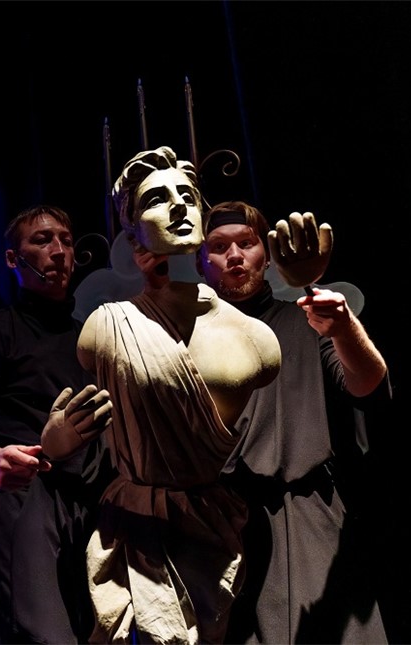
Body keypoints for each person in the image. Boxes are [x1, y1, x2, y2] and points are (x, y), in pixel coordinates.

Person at [65, 146, 282, 643]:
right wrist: (57, 442)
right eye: (156, 199)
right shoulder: (106, 328)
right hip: (131, 525)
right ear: (133, 236)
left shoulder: (255, 339)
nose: (179, 205)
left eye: (187, 195)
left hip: (208, 529)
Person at [195, 200, 390, 643]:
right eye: (219, 247)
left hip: (309, 519)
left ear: (266, 255)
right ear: (201, 262)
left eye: (246, 243)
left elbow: (369, 385)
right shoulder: (187, 340)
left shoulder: (306, 323)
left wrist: (343, 327)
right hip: (224, 528)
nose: (234, 255)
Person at [0, 204, 113, 644]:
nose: (59, 251)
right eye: (42, 240)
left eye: (66, 240)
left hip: (87, 509)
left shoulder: (90, 338)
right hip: (22, 507)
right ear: (13, 259)